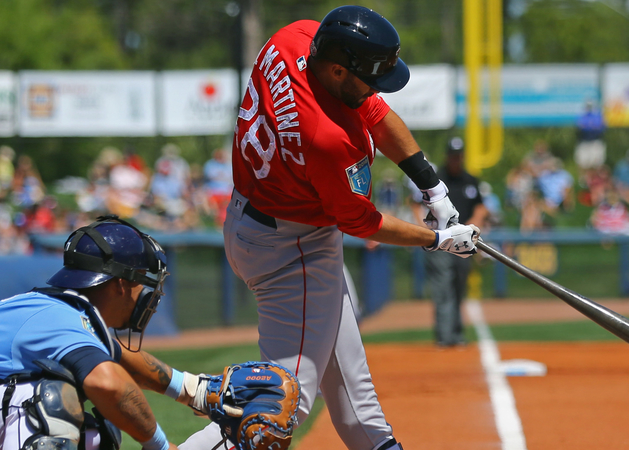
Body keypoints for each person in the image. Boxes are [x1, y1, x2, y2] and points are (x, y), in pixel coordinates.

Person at [200, 6, 481, 450]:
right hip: (293, 250)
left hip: (259, 219)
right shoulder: (328, 139)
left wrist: (433, 187)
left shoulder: (295, 38)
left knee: (354, 393)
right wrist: (438, 239)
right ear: (336, 70)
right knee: (276, 409)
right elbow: (361, 221)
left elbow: (373, 108)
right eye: (368, 76)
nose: (375, 88)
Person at [0, 216, 300, 450]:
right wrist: (159, 447)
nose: (152, 295)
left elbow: (117, 357)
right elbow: (108, 381)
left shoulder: (61, 313)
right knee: (48, 403)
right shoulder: (58, 315)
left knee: (96, 435)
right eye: (146, 283)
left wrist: (194, 390)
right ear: (122, 284)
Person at [420, 137, 489, 347]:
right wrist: (423, 231)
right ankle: (444, 336)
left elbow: (480, 207)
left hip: (462, 243)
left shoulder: (470, 180)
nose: (456, 159)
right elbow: (415, 203)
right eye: (453, 155)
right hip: (440, 241)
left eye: (459, 156)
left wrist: (472, 227)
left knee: (459, 287)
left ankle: (456, 333)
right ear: (447, 156)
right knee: (443, 288)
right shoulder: (436, 178)